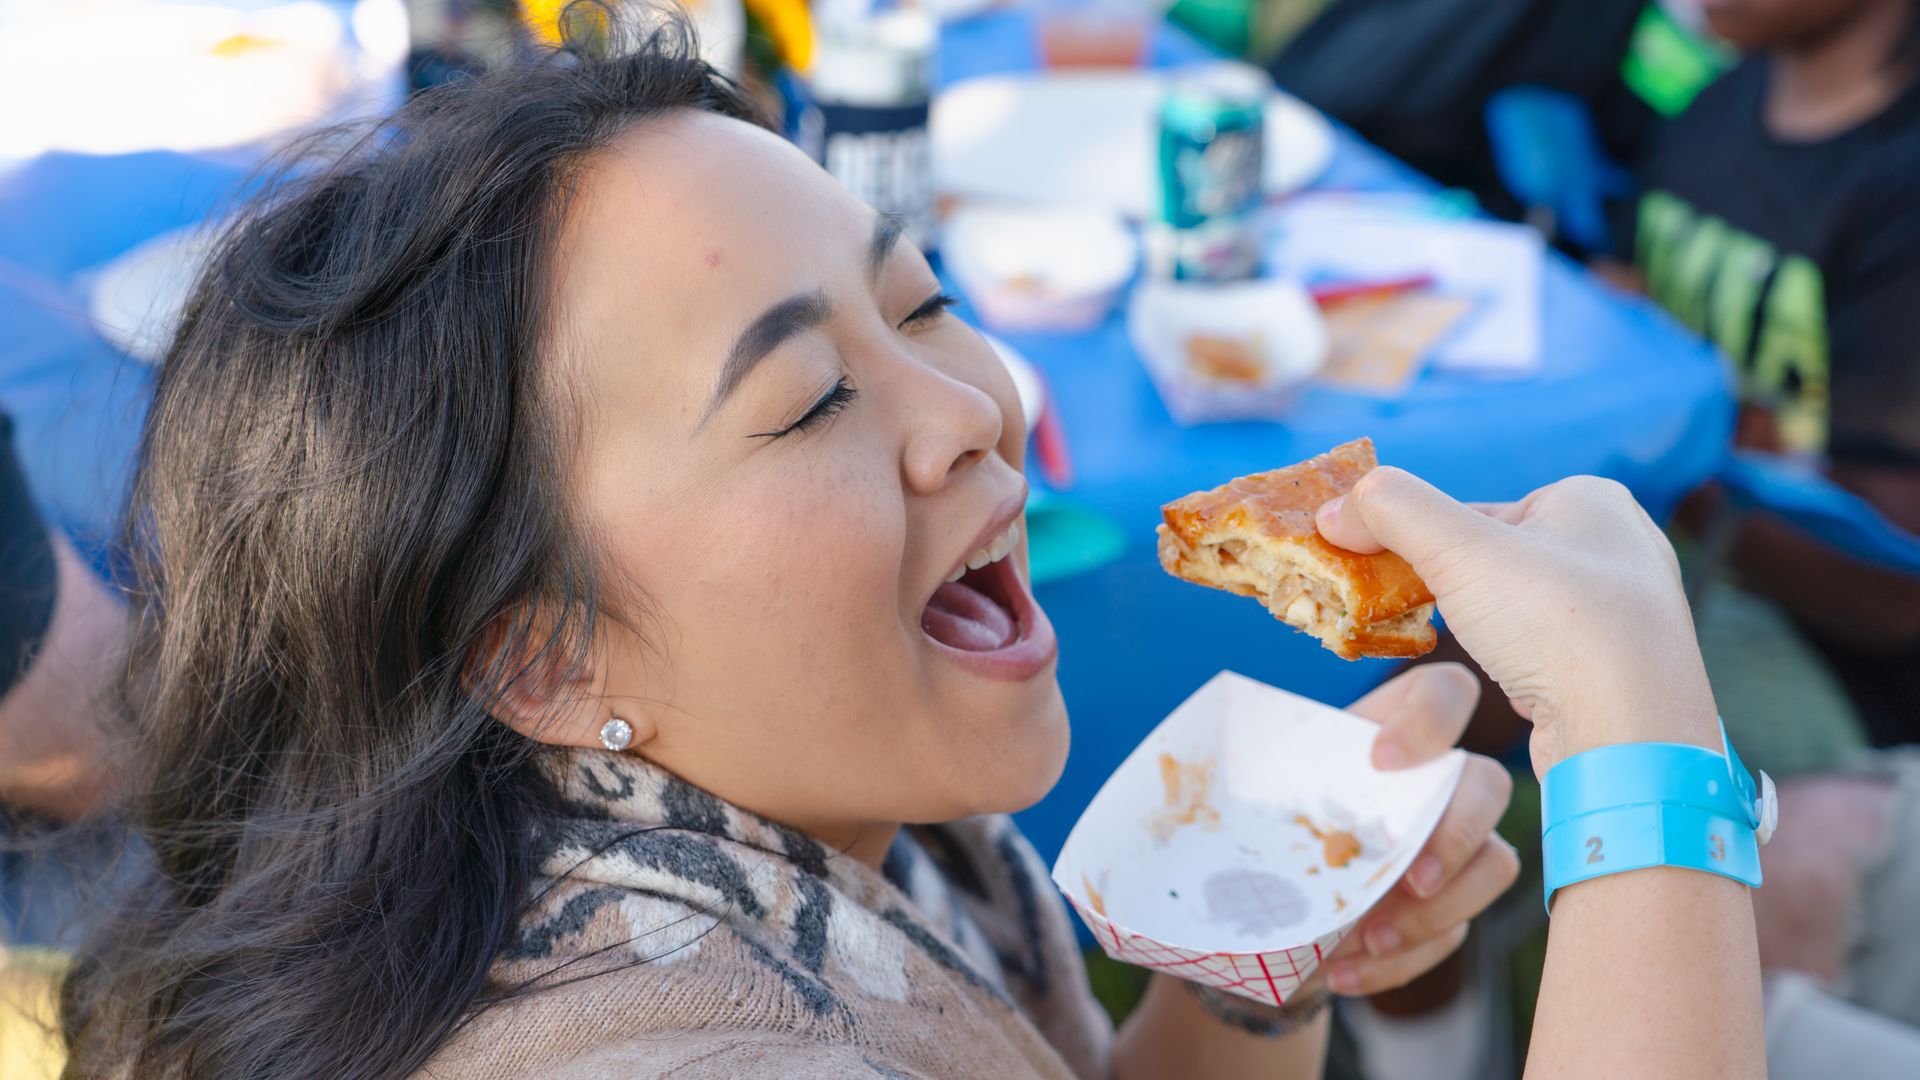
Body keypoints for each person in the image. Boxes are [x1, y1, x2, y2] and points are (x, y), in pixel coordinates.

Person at [56, 15, 1761, 1079]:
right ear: (542, 653)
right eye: (804, 403)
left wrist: (1247, 986)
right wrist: (1641, 746)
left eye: (922, 301)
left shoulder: (844, 826)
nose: (970, 408)